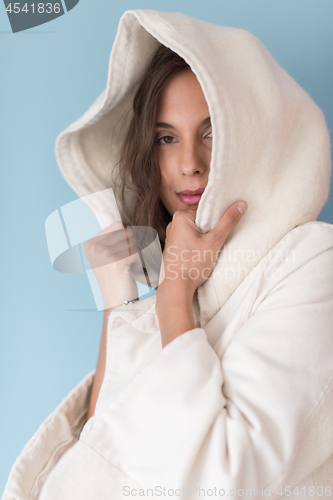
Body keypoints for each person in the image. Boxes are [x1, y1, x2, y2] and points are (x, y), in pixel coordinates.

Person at [3, 9, 333, 500]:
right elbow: (100, 451)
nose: (189, 165)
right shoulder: (166, 279)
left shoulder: (314, 262)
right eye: (166, 138)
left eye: (212, 130)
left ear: (257, 134)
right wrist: (124, 300)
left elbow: (222, 478)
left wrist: (175, 295)